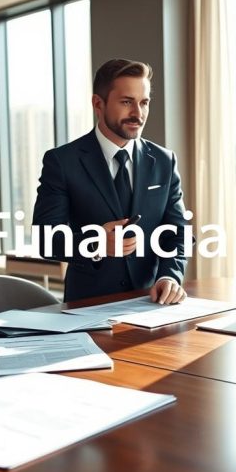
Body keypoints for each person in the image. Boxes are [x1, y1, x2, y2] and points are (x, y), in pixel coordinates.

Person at [32, 58, 188, 304]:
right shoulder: (62, 161)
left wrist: (169, 277)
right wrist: (96, 243)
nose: (138, 113)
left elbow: (177, 233)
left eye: (144, 102)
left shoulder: (164, 161)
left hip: (150, 305)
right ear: (98, 103)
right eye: (127, 102)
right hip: (86, 307)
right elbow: (46, 238)